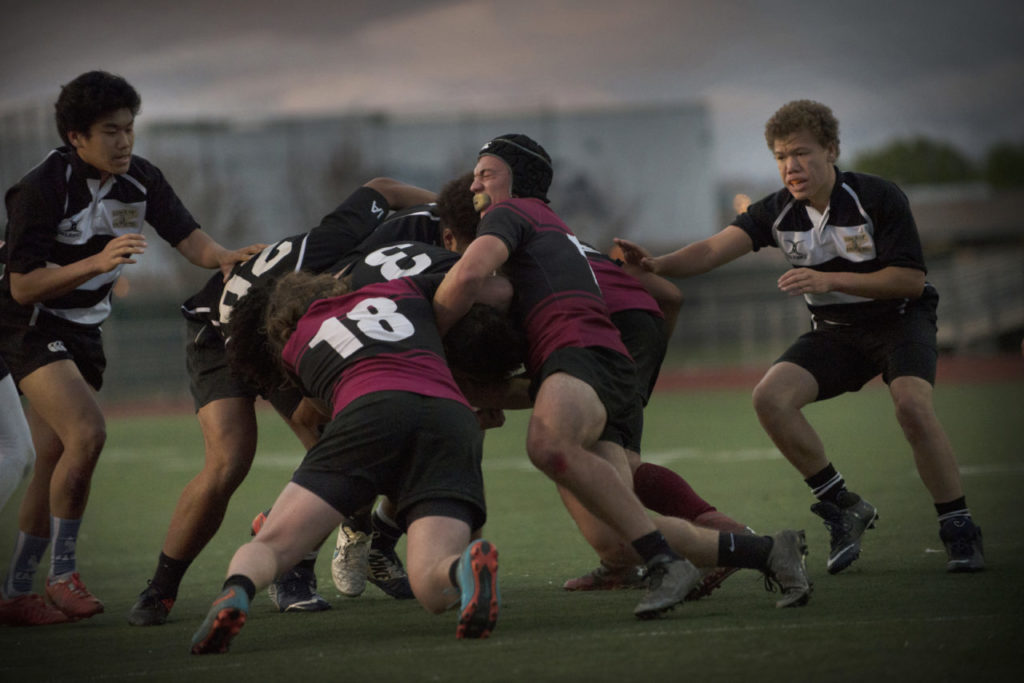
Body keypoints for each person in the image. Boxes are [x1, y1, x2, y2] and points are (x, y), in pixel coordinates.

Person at [433, 134, 812, 619]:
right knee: (618, 538)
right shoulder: (545, 224)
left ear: (518, 180)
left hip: (579, 345)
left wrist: (434, 347)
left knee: (548, 445)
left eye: (486, 172)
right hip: (596, 354)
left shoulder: (511, 213)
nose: (475, 182)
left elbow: (466, 278)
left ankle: (663, 563)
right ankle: (766, 551)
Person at [615, 99, 985, 574]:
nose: (791, 166)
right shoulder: (776, 212)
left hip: (900, 320)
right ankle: (842, 505)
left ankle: (959, 528)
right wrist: (657, 264)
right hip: (836, 333)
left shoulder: (878, 197)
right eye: (781, 156)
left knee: (911, 404)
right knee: (770, 398)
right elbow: (711, 249)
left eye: (802, 153)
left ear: (831, 150)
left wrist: (830, 280)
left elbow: (910, 280)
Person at [0, 70, 263, 627]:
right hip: (26, 320)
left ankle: (16, 590)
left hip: (82, 330)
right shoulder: (41, 186)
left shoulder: (140, 180)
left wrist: (223, 255)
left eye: (129, 129)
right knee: (86, 433)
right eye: (109, 131)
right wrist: (95, 262)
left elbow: (188, 237)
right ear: (76, 136)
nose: (123, 142)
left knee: (50, 455)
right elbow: (21, 284)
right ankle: (62, 575)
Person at [128, 176, 437, 626]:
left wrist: (442, 200)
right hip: (232, 331)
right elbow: (384, 188)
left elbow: (384, 190)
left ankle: (336, 541)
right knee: (240, 460)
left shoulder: (377, 239)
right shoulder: (346, 276)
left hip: (283, 319)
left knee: (354, 441)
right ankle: (164, 588)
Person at [190, 269, 522, 653]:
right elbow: (488, 285)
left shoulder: (295, 345)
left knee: (273, 544)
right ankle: (461, 570)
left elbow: (345, 425)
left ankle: (235, 593)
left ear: (281, 323)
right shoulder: (403, 288)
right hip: (452, 415)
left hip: (370, 406)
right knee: (432, 589)